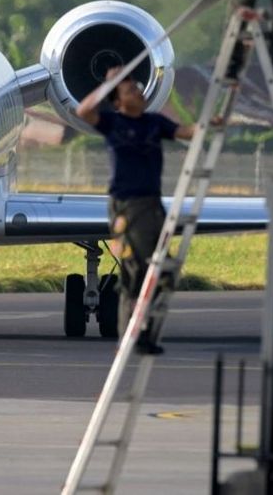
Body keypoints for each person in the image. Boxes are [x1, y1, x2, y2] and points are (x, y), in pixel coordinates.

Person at [76, 68, 207, 353]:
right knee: (145, 269)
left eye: (136, 87)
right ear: (118, 102)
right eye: (129, 90)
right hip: (126, 207)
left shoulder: (154, 122)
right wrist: (108, 82)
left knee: (147, 271)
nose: (137, 91)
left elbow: (186, 132)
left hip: (152, 205)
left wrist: (211, 124)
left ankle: (138, 332)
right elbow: (83, 110)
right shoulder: (112, 122)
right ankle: (135, 333)